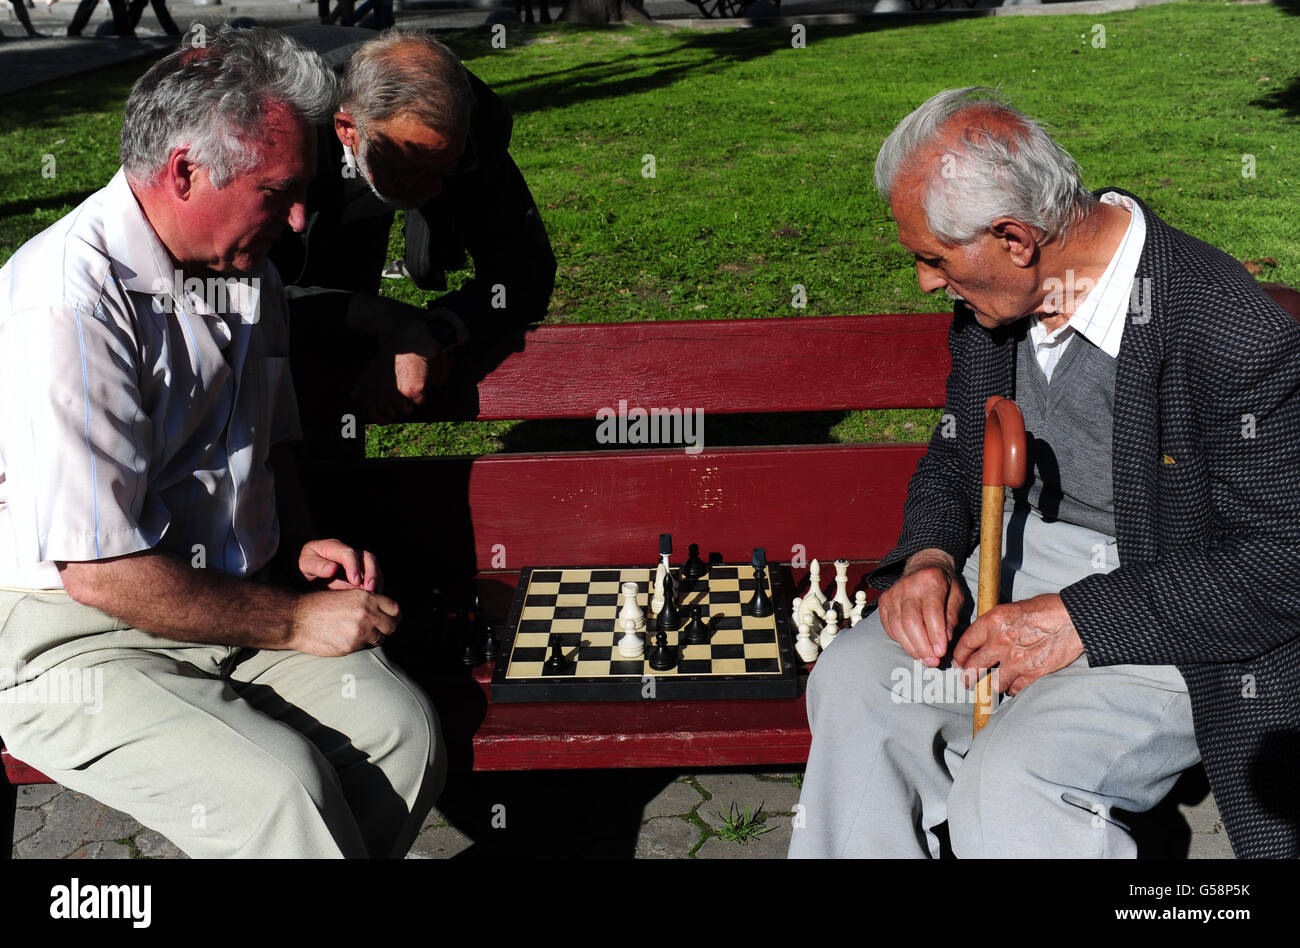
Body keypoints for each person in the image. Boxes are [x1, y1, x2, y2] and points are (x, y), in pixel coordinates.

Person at [788, 87, 1300, 859]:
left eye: (934, 257)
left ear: (1014, 237)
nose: (927, 282)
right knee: (855, 684)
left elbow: (1280, 565)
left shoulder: (1227, 329)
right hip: (1011, 568)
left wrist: (1079, 619)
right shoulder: (998, 304)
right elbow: (957, 455)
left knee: (1014, 776)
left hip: (1174, 603)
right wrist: (929, 557)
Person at [0, 27, 445, 858]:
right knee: (281, 794)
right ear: (184, 172)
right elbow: (101, 573)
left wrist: (303, 535)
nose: (304, 215)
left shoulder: (250, 271)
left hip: (222, 604)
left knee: (401, 734)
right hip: (71, 636)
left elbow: (272, 445)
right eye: (279, 191)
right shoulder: (67, 304)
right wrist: (292, 621)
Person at [270, 26, 556, 430]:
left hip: (355, 199)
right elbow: (228, 290)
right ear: (347, 128)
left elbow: (524, 270)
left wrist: (436, 330)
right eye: (410, 171)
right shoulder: (272, 122)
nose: (434, 190)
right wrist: (384, 317)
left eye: (446, 169)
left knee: (339, 387)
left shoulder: (468, 128)